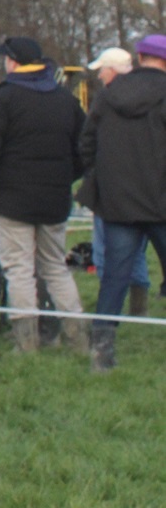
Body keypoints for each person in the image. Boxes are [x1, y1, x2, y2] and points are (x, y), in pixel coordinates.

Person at [0, 36, 87, 354]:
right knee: (55, 266)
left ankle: (26, 342)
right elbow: (84, 148)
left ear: (12, 62)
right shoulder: (65, 99)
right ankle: (78, 337)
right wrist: (66, 177)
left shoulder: (4, 100)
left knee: (18, 269)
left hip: (12, 199)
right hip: (55, 198)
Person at [79, 36, 166, 369]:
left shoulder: (108, 94)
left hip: (118, 203)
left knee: (114, 277)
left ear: (140, 56)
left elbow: (87, 144)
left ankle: (101, 351)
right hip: (161, 201)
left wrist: (104, 180)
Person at [83, 47, 145, 317]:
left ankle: (108, 318)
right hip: (149, 188)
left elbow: (88, 142)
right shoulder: (150, 95)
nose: (99, 76)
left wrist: (94, 174)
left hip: (113, 189)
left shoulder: (105, 100)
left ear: (112, 70)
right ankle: (138, 309)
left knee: (106, 252)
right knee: (138, 252)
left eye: (102, 70)